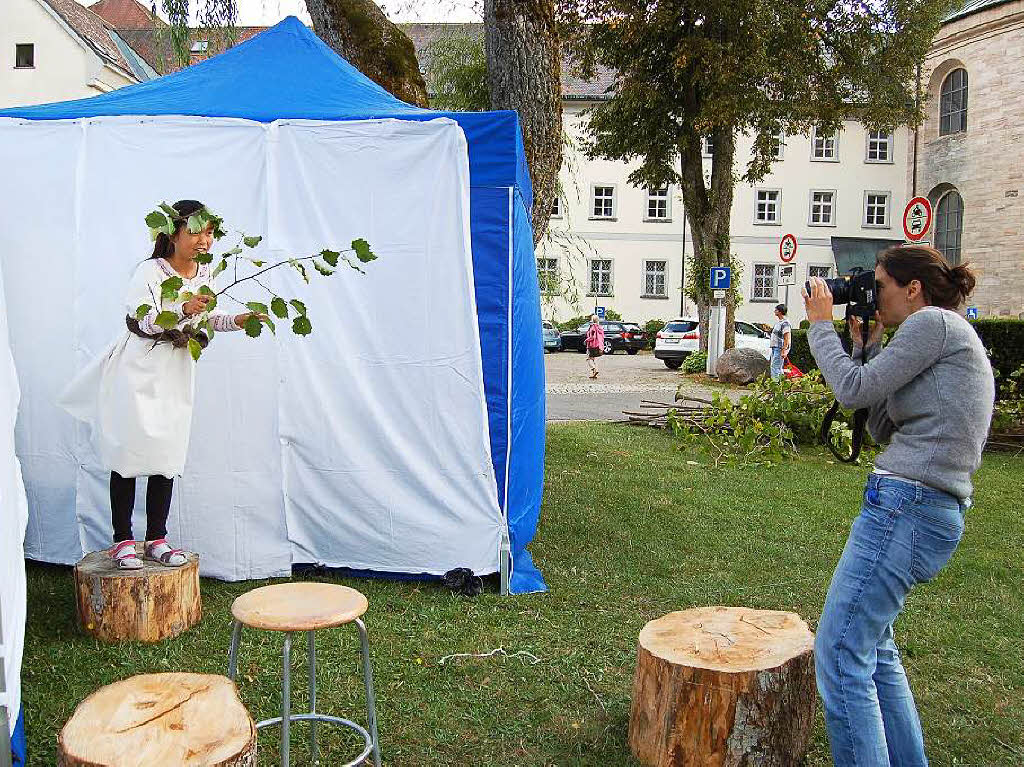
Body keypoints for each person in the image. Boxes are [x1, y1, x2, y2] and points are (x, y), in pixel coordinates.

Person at [802, 246, 994, 766]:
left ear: (913, 289)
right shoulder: (940, 333)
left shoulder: (932, 323)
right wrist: (866, 348)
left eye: (880, 285)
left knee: (840, 654)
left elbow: (848, 389)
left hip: (907, 505)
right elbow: (880, 420)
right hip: (923, 507)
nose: (873, 296)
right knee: (875, 651)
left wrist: (820, 325)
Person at [60, 200, 260, 570]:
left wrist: (239, 319)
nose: (205, 239)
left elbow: (211, 318)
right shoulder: (149, 272)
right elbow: (143, 320)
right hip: (138, 368)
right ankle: (122, 539)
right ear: (172, 233)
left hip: (175, 371)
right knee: (128, 453)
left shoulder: (205, 273)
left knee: (166, 455)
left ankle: (157, 538)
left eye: (210, 232)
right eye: (196, 230)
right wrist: (184, 311)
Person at [769, 303, 792, 380]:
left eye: (776, 310)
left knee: (775, 367)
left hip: (779, 348)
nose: (774, 311)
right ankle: (780, 384)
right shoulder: (779, 322)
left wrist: (784, 350)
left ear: (780, 311)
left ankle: (775, 385)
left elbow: (787, 337)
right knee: (776, 367)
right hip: (775, 347)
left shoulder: (785, 323)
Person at [585, 315, 604, 379]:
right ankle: (594, 373)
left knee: (589, 359)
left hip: (591, 345)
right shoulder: (600, 327)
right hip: (598, 345)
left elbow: (593, 337)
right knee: (594, 359)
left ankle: (594, 369)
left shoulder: (593, 328)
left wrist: (586, 340)